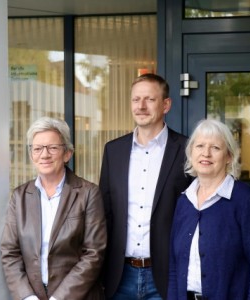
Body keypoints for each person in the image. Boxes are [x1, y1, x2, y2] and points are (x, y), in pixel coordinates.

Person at [99, 73, 192, 299]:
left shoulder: (188, 150)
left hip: (167, 275)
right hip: (120, 276)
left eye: (149, 99)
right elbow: (105, 214)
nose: (141, 106)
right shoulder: (114, 150)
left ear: (166, 104)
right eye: (135, 99)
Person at [167, 119, 250, 300]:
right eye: (200, 146)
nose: (206, 153)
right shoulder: (184, 201)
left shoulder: (248, 201)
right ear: (190, 153)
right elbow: (174, 266)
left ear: (229, 156)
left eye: (215, 148)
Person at [1, 116, 107, 300]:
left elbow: (93, 253)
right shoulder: (19, 197)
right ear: (31, 154)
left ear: (67, 153)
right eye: (38, 148)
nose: (44, 155)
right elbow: (10, 252)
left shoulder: (88, 193)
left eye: (52, 148)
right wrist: (27, 297)